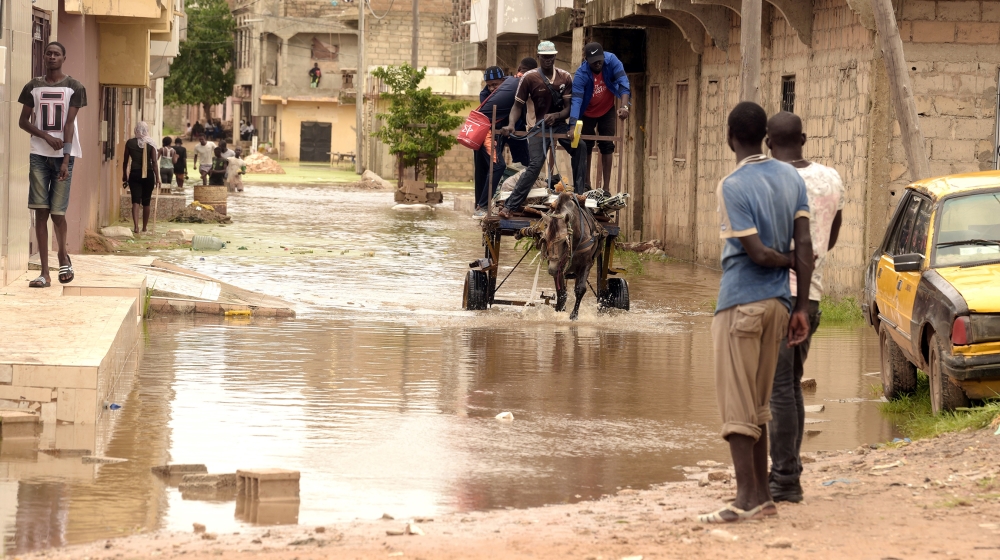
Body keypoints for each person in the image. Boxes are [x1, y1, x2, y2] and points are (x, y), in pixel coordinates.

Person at [697, 101, 813, 524]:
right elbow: (805, 247)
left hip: (740, 303)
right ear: (765, 136)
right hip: (781, 306)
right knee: (760, 405)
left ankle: (745, 496)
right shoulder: (790, 177)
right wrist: (800, 306)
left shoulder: (731, 185)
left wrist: (782, 260)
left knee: (736, 406)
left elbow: (760, 254)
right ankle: (763, 495)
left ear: (730, 137)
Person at [765, 111, 844, 504]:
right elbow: (831, 234)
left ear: (767, 143)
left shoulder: (771, 179)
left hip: (778, 296)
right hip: (810, 296)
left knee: (778, 390)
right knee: (791, 385)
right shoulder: (830, 178)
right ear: (805, 138)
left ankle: (783, 479)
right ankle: (788, 471)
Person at [18, 41, 86, 288]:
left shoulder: (75, 87)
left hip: (64, 158)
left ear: (64, 57)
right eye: (49, 53)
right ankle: (45, 273)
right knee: (40, 211)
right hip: (38, 154)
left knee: (58, 213)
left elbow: (69, 124)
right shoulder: (33, 86)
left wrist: (67, 159)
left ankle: (62, 255)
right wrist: (45, 136)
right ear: (44, 57)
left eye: (57, 53)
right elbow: (23, 121)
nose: (52, 57)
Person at [498, 41, 583, 219]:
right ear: (539, 57)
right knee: (535, 165)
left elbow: (569, 107)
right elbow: (517, 105)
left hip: (559, 124)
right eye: (544, 57)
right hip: (537, 127)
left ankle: (580, 195)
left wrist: (558, 115)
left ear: (555, 56)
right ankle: (510, 206)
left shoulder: (565, 76)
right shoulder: (529, 77)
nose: (547, 60)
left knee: (580, 147)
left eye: (550, 56)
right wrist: (512, 124)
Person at [569, 42, 631, 193]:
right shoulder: (581, 74)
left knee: (607, 145)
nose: (598, 64)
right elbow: (576, 100)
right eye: (594, 62)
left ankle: (606, 187)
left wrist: (624, 106)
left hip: (607, 109)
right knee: (586, 146)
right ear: (586, 60)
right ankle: (587, 184)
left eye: (600, 60)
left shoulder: (612, 61)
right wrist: (572, 125)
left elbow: (623, 83)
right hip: (587, 112)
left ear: (604, 56)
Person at [471, 66, 508, 217]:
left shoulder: (507, 91)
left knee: (490, 169)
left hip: (495, 135)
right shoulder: (485, 95)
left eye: (495, 84)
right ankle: (481, 206)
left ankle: (482, 205)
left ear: (502, 81)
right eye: (489, 84)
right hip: (485, 136)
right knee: (486, 169)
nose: (492, 87)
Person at [122, 122, 162, 234]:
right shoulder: (151, 143)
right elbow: (154, 162)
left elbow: (125, 161)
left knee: (135, 201)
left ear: (136, 130)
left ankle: (136, 227)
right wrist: (158, 178)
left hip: (134, 174)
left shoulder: (130, 143)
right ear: (146, 130)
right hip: (148, 174)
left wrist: (124, 174)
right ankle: (144, 227)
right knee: (146, 201)